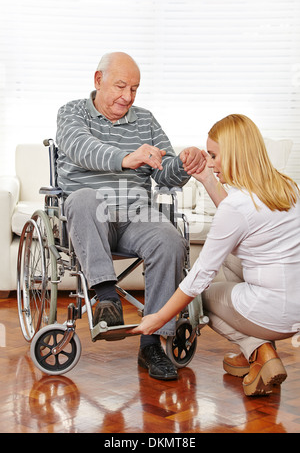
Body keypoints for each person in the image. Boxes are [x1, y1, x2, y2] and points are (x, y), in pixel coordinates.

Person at [56, 52, 205, 381]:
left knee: (170, 239)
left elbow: (166, 173)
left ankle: (151, 342)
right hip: (89, 219)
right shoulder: (72, 113)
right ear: (98, 81)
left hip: (136, 214)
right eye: (120, 86)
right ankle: (106, 297)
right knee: (83, 198)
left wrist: (184, 163)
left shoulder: (145, 120)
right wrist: (127, 158)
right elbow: (81, 148)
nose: (128, 96)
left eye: (134, 89)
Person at [132, 114, 300, 396]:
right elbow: (240, 222)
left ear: (234, 154)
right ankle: (257, 354)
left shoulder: (237, 205)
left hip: (274, 315)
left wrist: (158, 317)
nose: (209, 162)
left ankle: (258, 350)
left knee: (200, 299)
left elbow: (199, 277)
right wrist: (207, 179)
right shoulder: (288, 187)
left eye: (213, 155)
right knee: (233, 258)